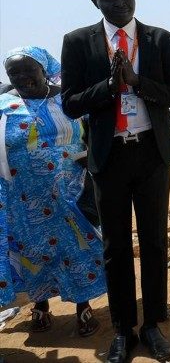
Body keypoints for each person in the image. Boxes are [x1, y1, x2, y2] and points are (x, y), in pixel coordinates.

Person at [61, 0, 170, 363]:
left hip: (151, 154)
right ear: (95, 3)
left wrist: (136, 82)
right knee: (115, 247)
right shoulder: (78, 42)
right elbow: (70, 103)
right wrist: (109, 88)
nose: (120, 3)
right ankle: (122, 330)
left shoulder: (160, 39)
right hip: (109, 157)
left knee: (153, 242)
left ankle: (152, 324)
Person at [0, 46, 106, 336]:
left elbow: (93, 131)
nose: (21, 77)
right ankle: (41, 306)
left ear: (43, 69)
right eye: (13, 73)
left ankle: (83, 307)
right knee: (34, 253)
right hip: (23, 196)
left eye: (27, 70)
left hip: (70, 189)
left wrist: (92, 159)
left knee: (75, 247)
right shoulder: (3, 105)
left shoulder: (68, 98)